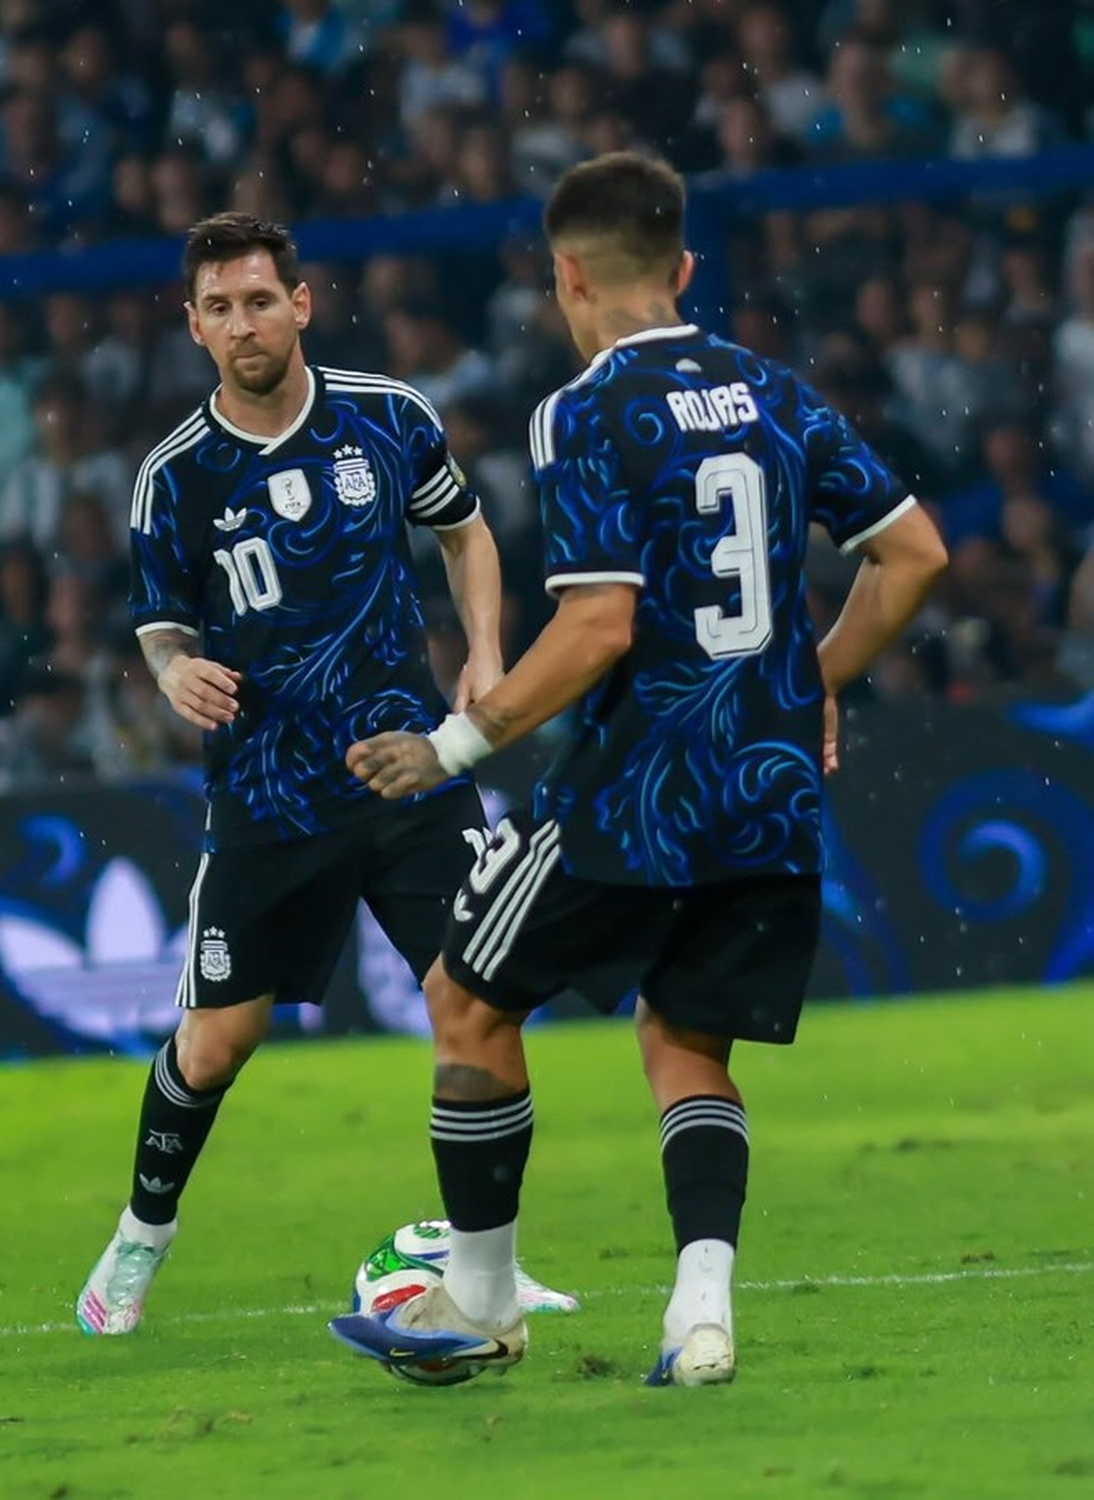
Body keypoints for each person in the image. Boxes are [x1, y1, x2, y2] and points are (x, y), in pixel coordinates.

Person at [328, 152, 948, 1386]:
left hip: (635, 794)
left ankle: (481, 1300)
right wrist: (809, 681)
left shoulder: (585, 409)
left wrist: (457, 741)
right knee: (685, 1040)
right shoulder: (776, 391)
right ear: (683, 269)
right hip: (768, 792)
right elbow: (915, 555)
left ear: (565, 275)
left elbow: (600, 626)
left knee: (465, 999)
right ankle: (700, 1318)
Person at [75, 212, 571, 1335]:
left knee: (474, 1004)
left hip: (407, 772)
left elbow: (468, 533)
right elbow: (161, 628)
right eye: (219, 307)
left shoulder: (389, 420)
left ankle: (487, 1272)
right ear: (193, 326)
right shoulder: (176, 477)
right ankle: (144, 1231)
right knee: (217, 1044)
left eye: (260, 300)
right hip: (267, 795)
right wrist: (172, 674)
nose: (242, 323)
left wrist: (485, 658)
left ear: (301, 305)